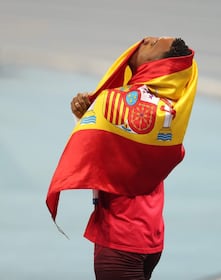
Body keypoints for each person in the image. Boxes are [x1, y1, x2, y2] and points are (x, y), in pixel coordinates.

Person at [46, 37, 198, 280]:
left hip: (120, 238)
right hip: (150, 235)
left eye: (152, 44)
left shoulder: (117, 102)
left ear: (155, 65)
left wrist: (85, 116)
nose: (146, 40)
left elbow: (93, 153)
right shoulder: (168, 110)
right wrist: (87, 115)